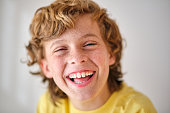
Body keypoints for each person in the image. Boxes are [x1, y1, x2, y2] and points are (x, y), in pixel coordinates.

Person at [26, 0, 157, 113]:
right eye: (60, 49)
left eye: (89, 44)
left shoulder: (138, 109)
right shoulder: (48, 105)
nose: (77, 58)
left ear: (111, 53)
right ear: (47, 67)